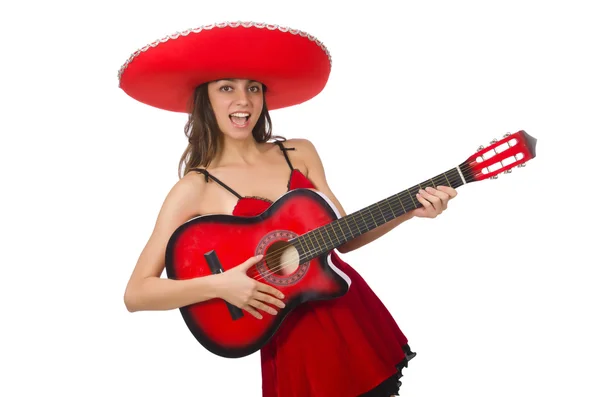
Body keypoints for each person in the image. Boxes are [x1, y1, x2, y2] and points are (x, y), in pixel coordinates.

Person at [119, 21, 457, 397]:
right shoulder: (194, 188)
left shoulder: (299, 152)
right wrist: (220, 285)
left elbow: (343, 236)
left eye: (253, 88)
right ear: (206, 99)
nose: (243, 101)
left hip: (348, 311)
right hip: (292, 339)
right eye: (226, 88)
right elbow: (137, 293)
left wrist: (409, 210)